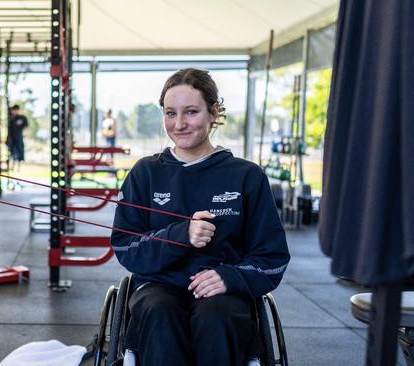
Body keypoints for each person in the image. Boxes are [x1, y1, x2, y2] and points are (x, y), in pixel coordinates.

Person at [111, 68, 290, 366]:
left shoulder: (247, 176)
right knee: (159, 312)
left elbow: (272, 259)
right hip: (158, 288)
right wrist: (182, 235)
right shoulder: (146, 172)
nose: (179, 124)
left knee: (216, 316)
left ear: (213, 112)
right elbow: (125, 248)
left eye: (191, 112)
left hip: (223, 291)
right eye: (170, 113)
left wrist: (230, 277)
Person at [7, 104, 28, 172]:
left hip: (19, 138)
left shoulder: (22, 117)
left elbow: (26, 126)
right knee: (12, 153)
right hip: (11, 139)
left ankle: (18, 168)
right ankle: (12, 167)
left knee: (19, 153)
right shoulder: (11, 118)